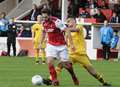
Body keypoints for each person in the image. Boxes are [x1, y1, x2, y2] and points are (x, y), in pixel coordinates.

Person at [46, 18, 112, 86]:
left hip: (81, 54)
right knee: (61, 65)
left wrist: (64, 28)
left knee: (92, 71)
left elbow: (74, 30)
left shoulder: (79, 27)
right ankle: (50, 79)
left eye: (69, 22)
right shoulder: (66, 32)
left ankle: (104, 82)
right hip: (71, 54)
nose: (68, 23)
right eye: (67, 22)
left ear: (74, 21)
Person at [39, 8, 79, 86]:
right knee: (49, 61)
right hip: (51, 45)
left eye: (46, 17)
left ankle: (73, 76)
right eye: (43, 17)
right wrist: (40, 42)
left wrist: (71, 44)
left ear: (50, 16)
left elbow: (67, 30)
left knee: (67, 65)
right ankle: (54, 80)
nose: (44, 19)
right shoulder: (44, 23)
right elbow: (43, 32)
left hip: (61, 46)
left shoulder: (57, 22)